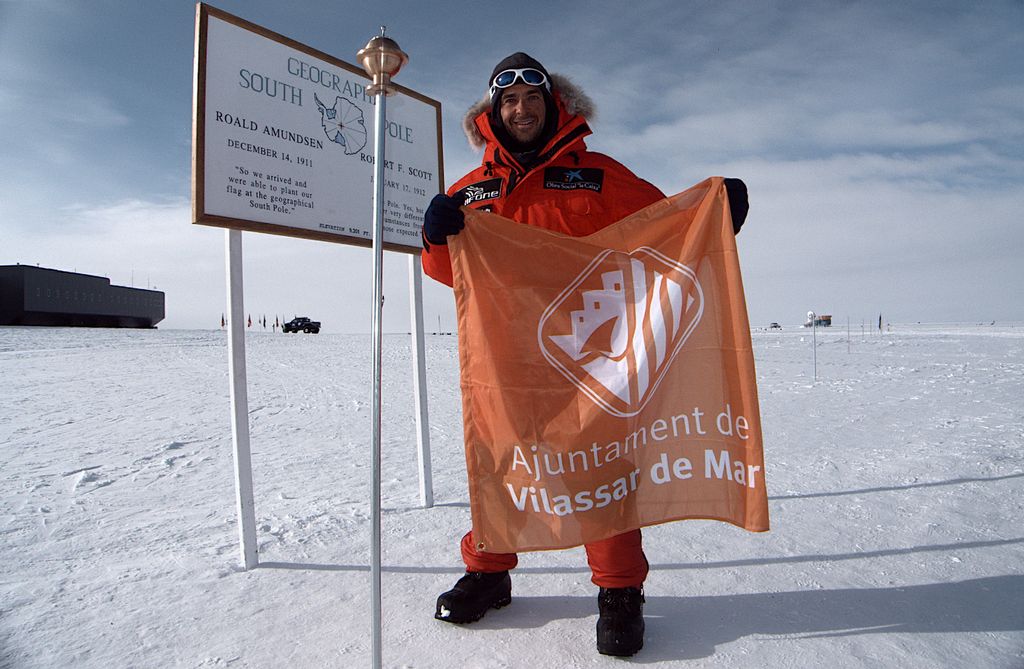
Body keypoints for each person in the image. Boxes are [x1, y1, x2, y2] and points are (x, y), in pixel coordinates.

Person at [420, 52, 749, 657]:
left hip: (589, 354)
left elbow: (663, 224)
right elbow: (449, 273)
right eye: (510, 100)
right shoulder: (472, 190)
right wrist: (435, 237)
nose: (522, 110)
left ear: (554, 105)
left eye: (533, 98)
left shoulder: (597, 175)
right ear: (493, 111)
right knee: (500, 461)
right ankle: (489, 572)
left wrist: (716, 212)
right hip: (504, 357)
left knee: (600, 465)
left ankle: (620, 591)